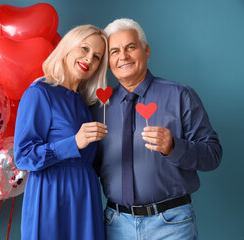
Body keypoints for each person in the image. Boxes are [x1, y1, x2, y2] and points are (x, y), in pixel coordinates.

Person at [91, 18, 222, 240]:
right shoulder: (99, 108)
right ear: (108, 61)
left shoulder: (180, 96)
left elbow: (213, 155)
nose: (123, 56)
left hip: (172, 224)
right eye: (114, 51)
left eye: (130, 47)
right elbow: (92, 165)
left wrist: (174, 147)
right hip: (116, 225)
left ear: (146, 50)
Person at [14, 25, 109, 240]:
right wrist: (73, 143)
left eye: (96, 57)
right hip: (51, 197)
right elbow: (23, 157)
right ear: (68, 47)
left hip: (85, 198)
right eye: (84, 48)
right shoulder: (40, 93)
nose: (89, 59)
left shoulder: (86, 104)